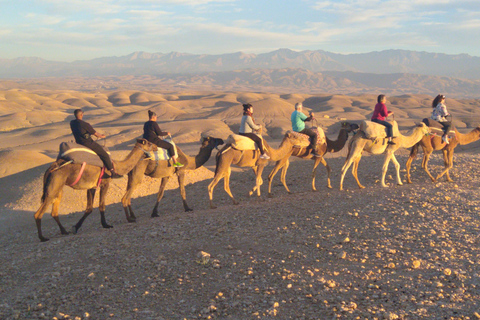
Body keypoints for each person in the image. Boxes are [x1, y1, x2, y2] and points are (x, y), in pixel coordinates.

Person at [70, 109, 122, 178]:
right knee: (105, 154)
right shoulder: (85, 124)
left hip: (78, 143)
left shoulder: (72, 123)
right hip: (88, 143)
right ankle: (112, 172)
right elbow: (96, 134)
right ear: (81, 115)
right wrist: (102, 136)